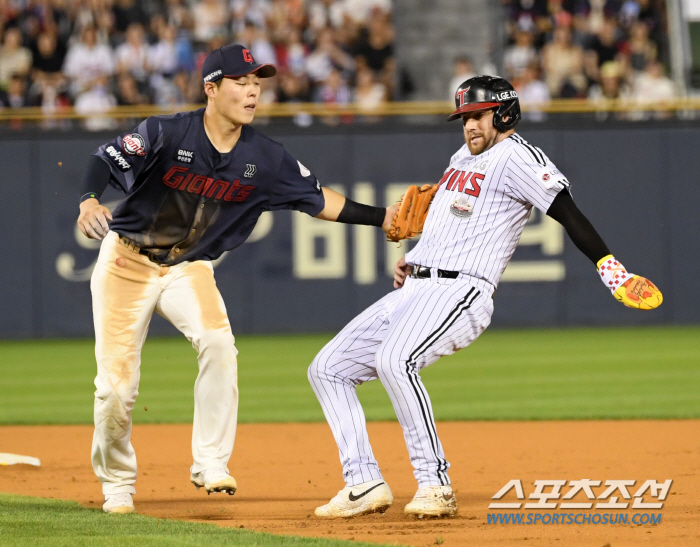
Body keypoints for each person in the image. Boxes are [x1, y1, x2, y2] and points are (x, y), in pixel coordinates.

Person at [308, 75, 662, 519]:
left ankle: (435, 485)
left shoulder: (518, 158)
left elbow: (569, 213)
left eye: (478, 115)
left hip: (462, 289)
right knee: (328, 368)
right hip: (418, 285)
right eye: (463, 118)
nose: (469, 125)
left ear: (505, 113)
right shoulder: (462, 156)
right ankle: (363, 482)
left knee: (395, 361)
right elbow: (450, 215)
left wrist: (613, 272)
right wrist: (415, 257)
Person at [77, 44, 398, 515]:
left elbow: (318, 200)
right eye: (242, 82)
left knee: (219, 344)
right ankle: (118, 485)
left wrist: (382, 218)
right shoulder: (167, 132)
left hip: (189, 266)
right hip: (128, 262)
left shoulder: (265, 158)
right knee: (116, 389)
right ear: (212, 88)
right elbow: (105, 158)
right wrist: (89, 198)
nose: (252, 91)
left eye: (257, 83)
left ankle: (209, 462)